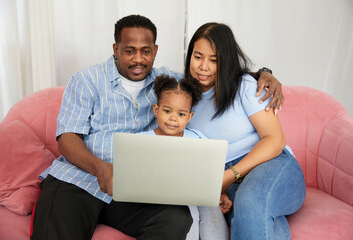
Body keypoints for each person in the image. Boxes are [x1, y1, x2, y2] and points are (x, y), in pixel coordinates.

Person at [31, 14, 284, 240]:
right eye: (129, 51)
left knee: (176, 220)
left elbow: (217, 71)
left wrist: (263, 73)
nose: (138, 59)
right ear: (115, 49)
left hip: (139, 188)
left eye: (146, 51)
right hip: (81, 178)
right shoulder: (86, 81)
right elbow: (66, 137)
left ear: (155, 50)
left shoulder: (170, 82)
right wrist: (99, 167)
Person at [184, 22, 306, 240]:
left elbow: (274, 140)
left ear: (226, 62)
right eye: (198, 56)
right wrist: (218, 185)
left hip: (269, 164)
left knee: (251, 201)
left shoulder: (245, 86)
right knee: (257, 220)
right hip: (225, 183)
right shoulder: (183, 98)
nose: (203, 67)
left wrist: (231, 176)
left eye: (214, 60)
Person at [139, 74, 231, 240]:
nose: (173, 118)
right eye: (167, 111)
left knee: (210, 208)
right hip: (162, 200)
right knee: (187, 218)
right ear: (156, 110)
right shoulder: (142, 140)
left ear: (189, 117)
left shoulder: (198, 139)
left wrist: (221, 192)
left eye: (181, 114)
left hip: (197, 196)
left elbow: (211, 172)